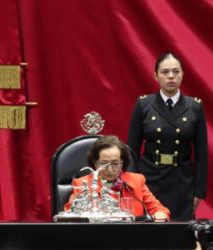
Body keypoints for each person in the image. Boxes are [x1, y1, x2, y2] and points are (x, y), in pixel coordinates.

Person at [127, 52, 208, 221]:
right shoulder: (144, 105)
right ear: (156, 76)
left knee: (179, 237)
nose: (171, 76)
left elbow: (201, 155)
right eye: (165, 72)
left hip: (182, 181)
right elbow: (131, 151)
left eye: (176, 71)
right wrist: (132, 187)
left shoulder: (194, 107)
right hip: (149, 179)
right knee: (150, 236)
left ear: (182, 74)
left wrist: (199, 192)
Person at [64, 136, 170, 222]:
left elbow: (159, 209)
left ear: (122, 163)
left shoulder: (137, 181)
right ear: (95, 163)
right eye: (104, 163)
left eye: (115, 163)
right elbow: (69, 216)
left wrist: (160, 214)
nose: (110, 169)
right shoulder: (83, 184)